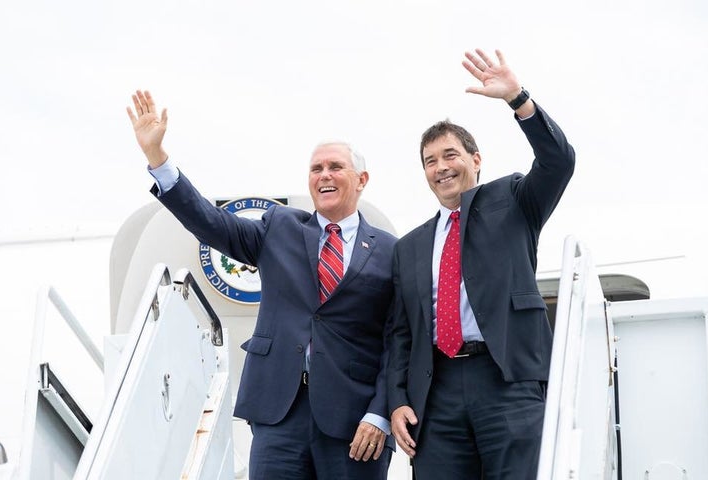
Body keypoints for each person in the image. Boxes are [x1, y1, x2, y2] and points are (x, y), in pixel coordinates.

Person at [126, 91, 395, 479]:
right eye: (316, 168)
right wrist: (158, 159)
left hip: (354, 421)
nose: (324, 175)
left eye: (335, 166)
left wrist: (379, 413)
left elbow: (397, 341)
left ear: (361, 179)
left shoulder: (390, 251)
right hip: (278, 413)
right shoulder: (281, 227)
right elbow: (210, 222)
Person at [387, 48, 575, 479]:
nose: (441, 168)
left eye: (450, 155)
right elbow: (400, 333)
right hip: (437, 395)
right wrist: (397, 399)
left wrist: (518, 100)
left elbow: (559, 162)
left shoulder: (512, 201)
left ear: (475, 160)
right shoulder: (410, 247)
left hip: (507, 381)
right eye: (430, 161)